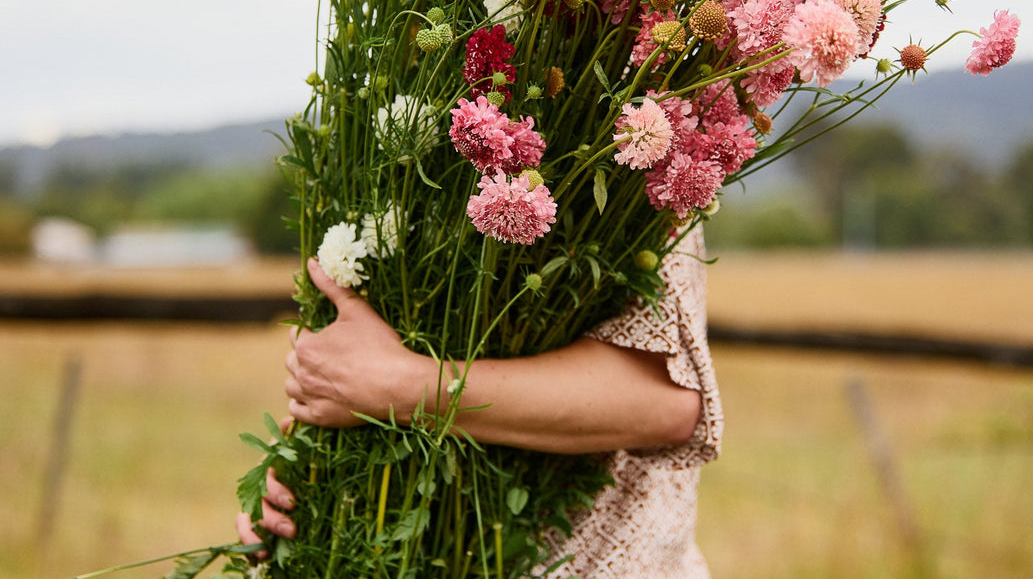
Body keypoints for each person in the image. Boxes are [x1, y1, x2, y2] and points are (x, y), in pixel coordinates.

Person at [238, 223, 723, 577]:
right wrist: (307, 489)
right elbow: (350, 368)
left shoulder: (648, 119)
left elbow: (667, 402)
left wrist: (403, 387)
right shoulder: (383, 129)